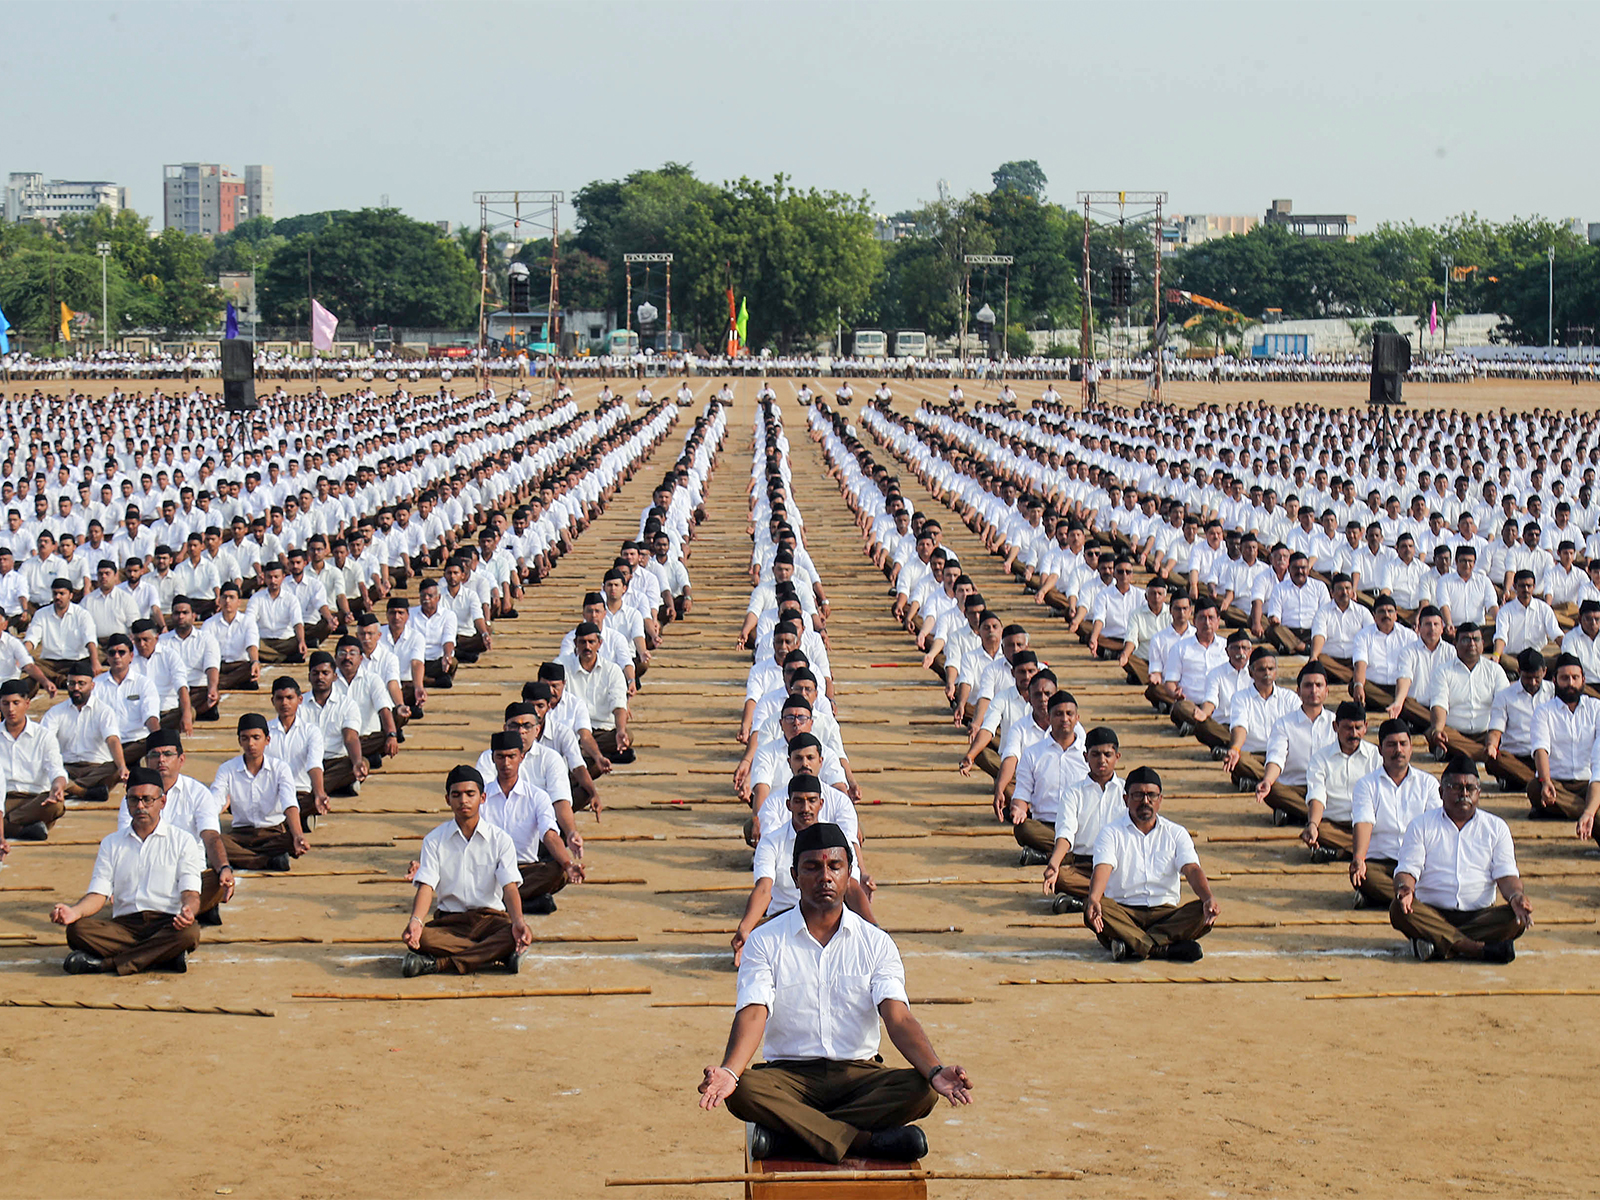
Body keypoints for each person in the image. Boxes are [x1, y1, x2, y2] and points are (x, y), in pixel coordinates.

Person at [697, 821, 973, 1165]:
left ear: (849, 873)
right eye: (812, 867)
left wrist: (934, 1070)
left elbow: (898, 1016)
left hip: (859, 1076)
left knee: (921, 1091)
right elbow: (754, 1011)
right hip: (789, 1078)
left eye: (835, 866)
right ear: (796, 875)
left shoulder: (876, 943)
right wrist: (730, 1071)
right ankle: (862, 1140)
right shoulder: (765, 941)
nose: (824, 876)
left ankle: (795, 1136)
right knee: (745, 1091)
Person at [49, 766, 203, 975]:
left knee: (189, 933)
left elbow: (191, 892)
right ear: (126, 802)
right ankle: (162, 955)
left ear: (162, 802)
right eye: (133, 800)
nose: (140, 806)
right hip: (123, 927)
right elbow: (98, 893)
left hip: (166, 922)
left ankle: (106, 964)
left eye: (147, 799)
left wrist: (188, 910)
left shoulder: (183, 841)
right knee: (77, 930)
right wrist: (74, 912)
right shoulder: (111, 843)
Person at [1391, 755, 1532, 963]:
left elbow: (1506, 875)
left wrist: (1516, 897)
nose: (1464, 794)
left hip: (1480, 917)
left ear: (1479, 793)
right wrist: (1405, 888)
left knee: (1515, 919)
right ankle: (1477, 949)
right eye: (1456, 787)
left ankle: (1438, 943)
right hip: (1433, 913)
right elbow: (1407, 869)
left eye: (1470, 788)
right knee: (1399, 909)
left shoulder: (1496, 827)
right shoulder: (1421, 825)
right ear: (1441, 792)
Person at [401, 764, 534, 977]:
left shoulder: (501, 840)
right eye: (457, 795)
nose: (463, 800)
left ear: (482, 798)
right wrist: (415, 921)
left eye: (470, 794)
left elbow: (510, 887)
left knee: (512, 934)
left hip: (490, 920)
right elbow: (426, 886)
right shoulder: (434, 840)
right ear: (448, 800)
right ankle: (495, 954)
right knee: (421, 939)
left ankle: (441, 963)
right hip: (450, 922)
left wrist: (519, 921)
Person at [733, 773, 874, 964]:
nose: (805, 808)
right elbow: (764, 889)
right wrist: (745, 928)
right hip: (784, 919)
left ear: (821, 804)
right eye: (798, 801)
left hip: (829, 919)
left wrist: (874, 929)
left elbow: (851, 887)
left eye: (811, 801)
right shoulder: (771, 842)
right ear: (788, 805)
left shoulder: (839, 843)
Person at [1084, 766, 1220, 961]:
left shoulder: (1176, 832)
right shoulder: (1111, 833)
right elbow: (1103, 868)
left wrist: (1208, 897)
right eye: (1138, 795)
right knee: (1095, 907)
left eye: (1151, 795)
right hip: (1124, 912)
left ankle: (1133, 945)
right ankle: (1162, 949)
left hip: (1165, 914)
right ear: (1126, 799)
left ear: (1160, 800)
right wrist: (1095, 898)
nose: (1145, 801)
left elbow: (1191, 868)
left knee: (1202, 911)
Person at [480, 731, 584, 915]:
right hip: (490, 870)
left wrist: (568, 864)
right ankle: (521, 903)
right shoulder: (481, 797)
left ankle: (501, 903)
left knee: (557, 871)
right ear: (492, 758)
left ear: (521, 757)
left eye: (511, 756)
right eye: (500, 757)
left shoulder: (537, 797)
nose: (506, 763)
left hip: (525, 871)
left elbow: (549, 834)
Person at [1350, 718, 1442, 908]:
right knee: (1364, 877)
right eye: (1391, 745)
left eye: (1403, 744)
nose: (1398, 750)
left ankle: (1388, 897)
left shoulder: (1428, 783)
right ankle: (1415, 899)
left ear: (1411, 748)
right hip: (1381, 863)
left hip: (1418, 863)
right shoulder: (1366, 785)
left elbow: (1437, 826)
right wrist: (1359, 859)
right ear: (1380, 749)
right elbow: (1363, 822)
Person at [210, 712, 309, 871]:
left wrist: (298, 835)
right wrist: (218, 808)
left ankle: (242, 858)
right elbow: (216, 799)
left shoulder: (280, 768)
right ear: (239, 741)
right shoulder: (227, 769)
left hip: (272, 833)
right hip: (241, 835)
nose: (251, 744)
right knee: (214, 842)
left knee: (291, 839)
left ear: (267, 740)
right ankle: (264, 861)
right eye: (245, 738)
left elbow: (289, 803)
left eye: (256, 738)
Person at [1041, 726, 1124, 913]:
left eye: (1107, 754)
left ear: (1117, 757)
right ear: (1086, 757)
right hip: (1084, 866)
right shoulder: (1073, 793)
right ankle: (1104, 899)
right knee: (1061, 877)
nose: (1101, 760)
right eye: (1095, 754)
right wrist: (1054, 863)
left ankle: (1085, 901)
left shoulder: (1128, 793)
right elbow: (1065, 832)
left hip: (1117, 867)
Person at [1302, 701, 1380, 863]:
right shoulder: (1320, 758)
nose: (1353, 734)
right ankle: (1362, 852)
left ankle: (1342, 852)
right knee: (1319, 831)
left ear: (1366, 727)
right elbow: (1317, 795)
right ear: (1335, 726)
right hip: (1334, 825)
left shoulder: (1375, 757)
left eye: (1358, 728)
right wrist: (1313, 824)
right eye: (1347, 728)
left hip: (1368, 825)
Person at [40, 660, 127, 803]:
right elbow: (44, 740)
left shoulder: (104, 711)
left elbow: (112, 739)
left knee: (116, 768)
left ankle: (70, 788)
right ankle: (84, 792)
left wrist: (122, 767)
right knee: (45, 770)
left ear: (92, 686)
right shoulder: (55, 712)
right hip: (67, 767)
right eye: (72, 683)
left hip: (96, 768)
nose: (76, 688)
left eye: (81, 684)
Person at [0, 677, 67, 842]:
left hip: (34, 800)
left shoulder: (43, 736)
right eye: (5, 703)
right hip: (4, 799)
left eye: (16, 703)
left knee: (55, 805)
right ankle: (22, 830)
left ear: (27, 703)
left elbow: (56, 768)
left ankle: (7, 827)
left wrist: (57, 787)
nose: (11, 709)